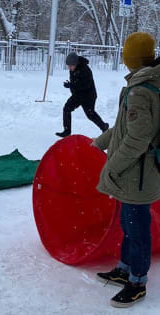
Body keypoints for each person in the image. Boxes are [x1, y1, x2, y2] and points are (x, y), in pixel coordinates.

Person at [92, 33, 160, 308]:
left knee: (138, 229)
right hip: (137, 172)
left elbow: (137, 139)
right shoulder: (141, 84)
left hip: (138, 174)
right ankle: (124, 268)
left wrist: (112, 166)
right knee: (128, 224)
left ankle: (137, 282)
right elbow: (124, 128)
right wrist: (101, 141)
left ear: (131, 57)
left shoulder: (142, 89)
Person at [56, 52, 109, 138]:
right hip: (78, 94)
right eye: (68, 66)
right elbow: (75, 82)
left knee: (90, 115)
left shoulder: (85, 69)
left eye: (71, 65)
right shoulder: (73, 69)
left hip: (88, 95)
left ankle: (104, 127)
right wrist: (71, 85)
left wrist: (71, 85)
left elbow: (85, 85)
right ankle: (67, 131)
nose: (69, 68)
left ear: (76, 63)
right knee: (66, 108)